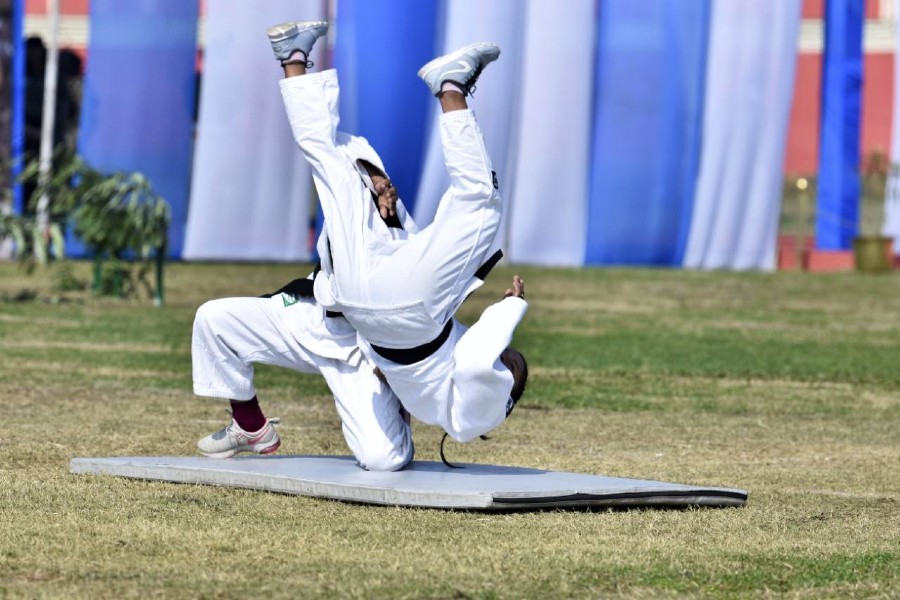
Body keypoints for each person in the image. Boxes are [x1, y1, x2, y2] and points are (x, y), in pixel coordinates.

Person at [269, 21, 528, 444]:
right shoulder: (439, 399)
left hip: (401, 314)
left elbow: (480, 361)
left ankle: (451, 85)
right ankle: (292, 58)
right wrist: (389, 226)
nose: (509, 361)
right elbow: (414, 337)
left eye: (514, 368)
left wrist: (510, 312)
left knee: (480, 201)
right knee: (331, 167)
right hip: (365, 309)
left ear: (509, 396)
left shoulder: (482, 413)